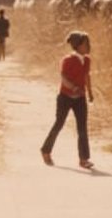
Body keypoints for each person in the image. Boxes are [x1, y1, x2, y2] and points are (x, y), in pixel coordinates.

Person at [40, 31, 94, 169]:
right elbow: (63, 78)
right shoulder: (68, 60)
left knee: (82, 127)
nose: (88, 46)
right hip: (65, 97)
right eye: (85, 44)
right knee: (59, 123)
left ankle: (84, 159)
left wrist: (90, 93)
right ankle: (46, 150)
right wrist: (73, 88)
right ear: (77, 46)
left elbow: (87, 76)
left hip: (80, 98)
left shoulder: (87, 60)